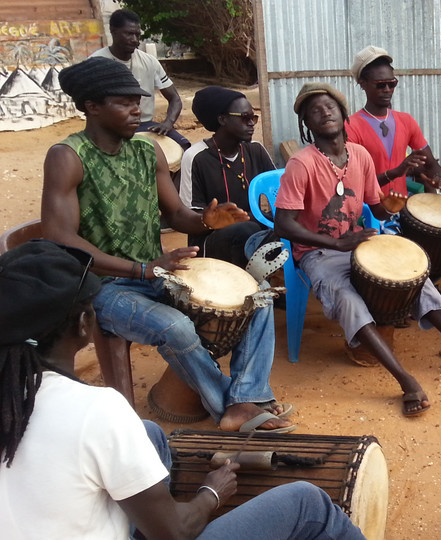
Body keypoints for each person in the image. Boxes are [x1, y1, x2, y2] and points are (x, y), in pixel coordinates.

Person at [0, 240, 365, 540]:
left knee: (150, 434)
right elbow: (175, 533)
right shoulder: (97, 411)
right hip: (170, 532)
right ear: (84, 325)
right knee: (307, 503)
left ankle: (155, 505)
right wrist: (210, 494)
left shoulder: (13, 398)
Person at [40, 56, 294, 433]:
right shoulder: (68, 157)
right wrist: (141, 269)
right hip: (99, 286)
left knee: (254, 296)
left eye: (138, 100)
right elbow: (61, 239)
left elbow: (176, 214)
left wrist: (207, 221)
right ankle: (229, 406)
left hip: (158, 272)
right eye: (124, 102)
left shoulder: (148, 152)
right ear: (92, 106)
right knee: (174, 327)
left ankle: (245, 398)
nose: (138, 109)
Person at [274, 82, 441, 417]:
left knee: (418, 279)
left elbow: (378, 208)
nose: (324, 112)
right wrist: (336, 243)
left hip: (360, 241)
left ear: (343, 115)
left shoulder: (360, 155)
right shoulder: (302, 164)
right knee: (347, 298)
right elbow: (283, 224)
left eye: (330, 106)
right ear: (307, 124)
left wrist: (390, 206)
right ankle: (406, 380)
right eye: (315, 110)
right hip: (319, 251)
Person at [345, 45, 441, 306]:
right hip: (369, 211)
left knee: (437, 235)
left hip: (400, 208)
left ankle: (420, 291)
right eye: (380, 85)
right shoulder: (352, 126)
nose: (388, 90)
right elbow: (354, 183)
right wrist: (399, 171)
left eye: (392, 83)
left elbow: (429, 161)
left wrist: (435, 176)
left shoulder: (405, 120)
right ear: (363, 84)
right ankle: (407, 299)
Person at [178, 86, 276, 266]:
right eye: (245, 118)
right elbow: (189, 213)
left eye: (253, 118)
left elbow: (278, 190)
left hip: (252, 228)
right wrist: (215, 219)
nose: (252, 123)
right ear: (222, 119)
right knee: (245, 229)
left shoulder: (255, 149)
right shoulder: (196, 156)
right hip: (210, 240)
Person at [92, 9, 190, 149]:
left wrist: (168, 123)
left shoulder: (149, 61)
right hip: (110, 128)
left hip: (144, 125)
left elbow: (175, 98)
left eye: (137, 35)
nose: (135, 40)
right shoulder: (96, 63)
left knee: (184, 147)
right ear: (113, 31)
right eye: (129, 34)